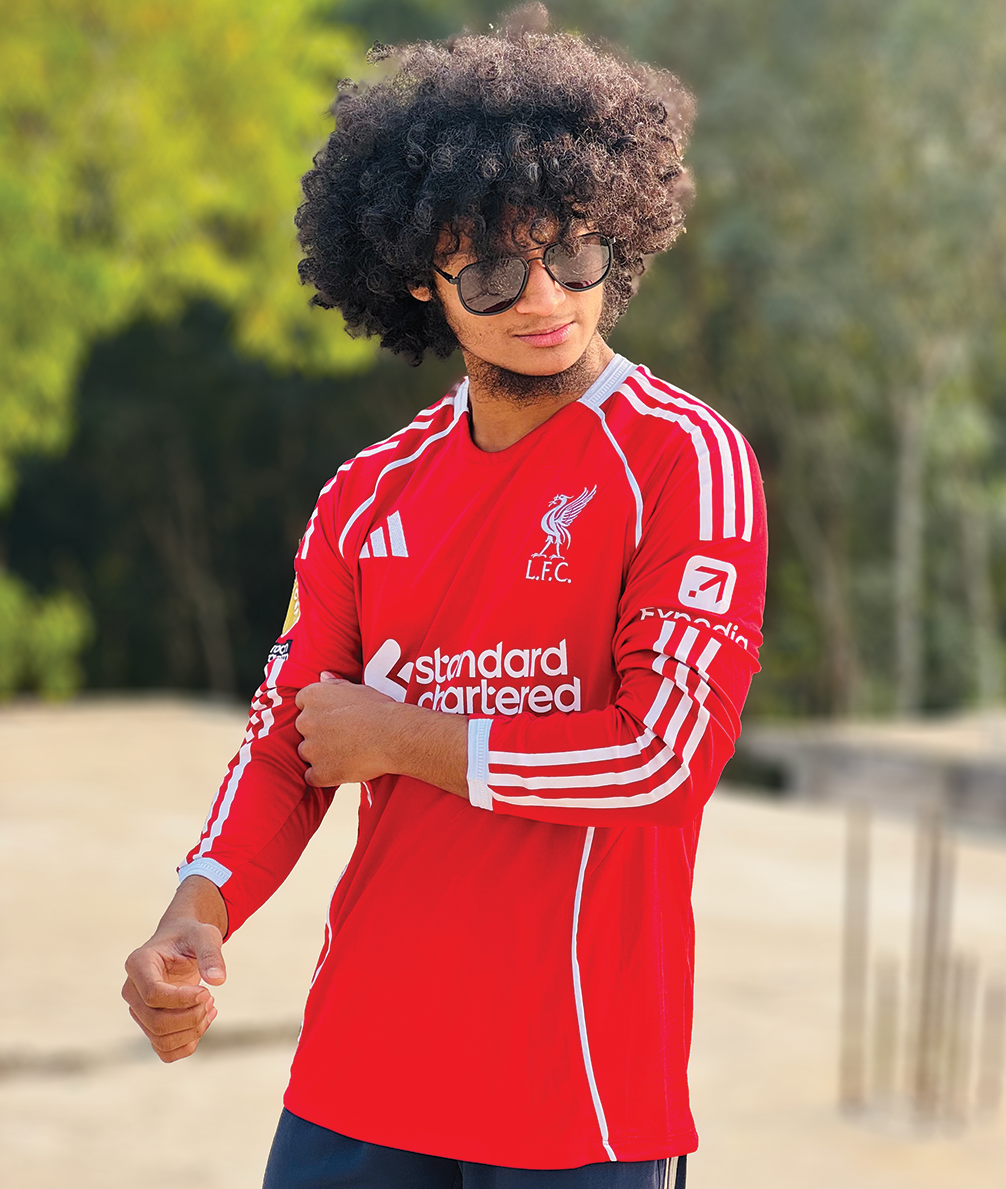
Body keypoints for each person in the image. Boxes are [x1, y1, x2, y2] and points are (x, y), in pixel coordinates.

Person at [122, 8, 767, 1187]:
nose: (545, 297)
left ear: (617, 236)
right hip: (359, 1077)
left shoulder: (683, 459)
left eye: (575, 254)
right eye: (494, 269)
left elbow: (663, 760)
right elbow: (287, 744)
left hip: (575, 1097)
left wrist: (405, 738)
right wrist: (195, 911)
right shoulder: (364, 496)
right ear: (420, 278)